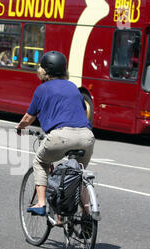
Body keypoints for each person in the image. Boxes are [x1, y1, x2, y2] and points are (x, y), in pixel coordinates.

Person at [15, 51, 95, 224]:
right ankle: (87, 214)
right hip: (87, 136)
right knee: (78, 173)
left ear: (43, 71)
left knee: (40, 161)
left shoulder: (42, 89)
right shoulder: (73, 87)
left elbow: (29, 118)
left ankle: (42, 202)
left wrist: (20, 127)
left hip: (61, 136)